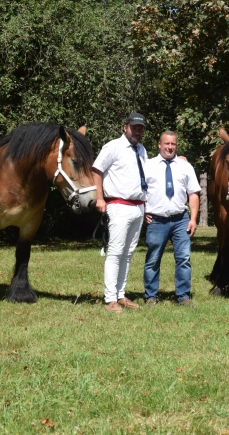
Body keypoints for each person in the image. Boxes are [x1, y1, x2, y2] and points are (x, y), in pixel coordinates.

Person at [93, 112, 149, 313]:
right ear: (125, 127)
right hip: (119, 205)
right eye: (134, 127)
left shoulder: (141, 149)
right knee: (116, 252)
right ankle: (110, 299)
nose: (137, 131)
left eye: (140, 128)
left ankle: (120, 295)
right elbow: (96, 170)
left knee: (128, 253)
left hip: (138, 207)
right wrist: (100, 198)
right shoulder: (113, 147)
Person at [142, 131, 201, 306]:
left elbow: (193, 193)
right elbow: (140, 191)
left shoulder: (185, 166)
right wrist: (143, 210)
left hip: (180, 219)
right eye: (166, 143)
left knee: (184, 259)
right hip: (156, 220)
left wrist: (193, 219)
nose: (170, 147)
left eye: (173, 144)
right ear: (159, 145)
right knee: (153, 259)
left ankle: (183, 296)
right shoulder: (148, 165)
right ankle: (150, 296)